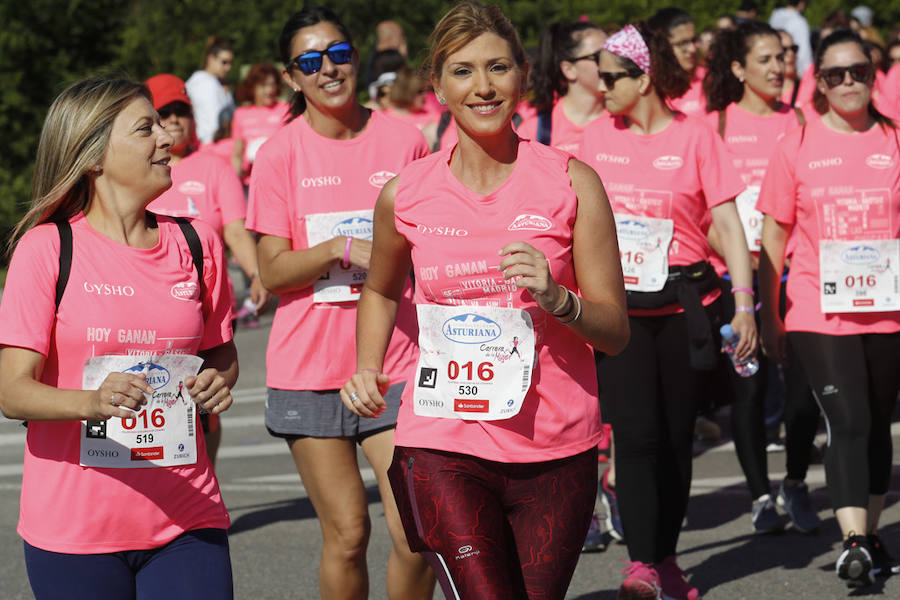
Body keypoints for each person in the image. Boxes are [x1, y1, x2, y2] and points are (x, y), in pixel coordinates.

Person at [341, 2, 629, 598]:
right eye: (464, 71)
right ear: (438, 86)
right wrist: (368, 365)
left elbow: (615, 331)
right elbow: (379, 287)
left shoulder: (573, 181)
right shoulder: (407, 193)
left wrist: (559, 298)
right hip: (444, 442)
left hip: (555, 446)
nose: (484, 86)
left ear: (523, 75)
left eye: (498, 67)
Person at [0, 77, 237, 599]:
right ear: (94, 155)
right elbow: (12, 391)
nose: (167, 138)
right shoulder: (46, 249)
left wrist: (218, 382)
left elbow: (220, 354)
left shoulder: (197, 242)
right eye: (145, 128)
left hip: (186, 517)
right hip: (74, 529)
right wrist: (93, 401)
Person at [246, 7, 434, 599]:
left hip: (396, 362)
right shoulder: (280, 154)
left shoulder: (404, 140)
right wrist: (340, 247)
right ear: (292, 77)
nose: (328, 69)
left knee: (415, 534)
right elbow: (273, 271)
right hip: (309, 371)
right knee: (348, 533)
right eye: (310, 61)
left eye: (339, 54)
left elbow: (429, 244)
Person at [580, 22, 756, 600]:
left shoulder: (696, 137)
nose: (600, 87)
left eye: (610, 78)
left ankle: (668, 557)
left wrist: (747, 305)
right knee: (633, 437)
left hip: (685, 308)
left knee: (677, 440)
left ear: (644, 76)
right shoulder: (595, 138)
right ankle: (641, 565)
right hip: (620, 312)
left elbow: (728, 224)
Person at [758, 29, 900, 589]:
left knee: (877, 423)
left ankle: (869, 530)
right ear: (819, 82)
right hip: (819, 308)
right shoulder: (796, 145)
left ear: (873, 74)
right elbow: (773, 236)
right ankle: (854, 540)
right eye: (835, 74)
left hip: (887, 309)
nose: (848, 83)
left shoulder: (893, 141)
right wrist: (768, 314)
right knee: (849, 419)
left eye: (858, 71)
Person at [702, 20, 820, 535]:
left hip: (794, 275)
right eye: (766, 59)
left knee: (801, 392)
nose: (778, 68)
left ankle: (794, 482)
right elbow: (698, 212)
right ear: (738, 68)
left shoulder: (800, 119)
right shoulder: (713, 126)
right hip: (734, 280)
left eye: (782, 57)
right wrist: (735, 253)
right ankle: (758, 496)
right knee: (749, 392)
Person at [144, 73, 267, 462]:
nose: (176, 119)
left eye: (183, 111)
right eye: (165, 112)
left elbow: (234, 228)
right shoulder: (137, 170)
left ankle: (202, 480)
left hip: (200, 307)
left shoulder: (214, 168)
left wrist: (255, 272)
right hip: (144, 304)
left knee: (203, 401)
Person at [517, 20, 608, 155]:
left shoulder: (627, 121)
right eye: (599, 56)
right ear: (569, 69)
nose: (610, 63)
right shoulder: (536, 130)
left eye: (613, 55)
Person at [231, 63, 290, 187]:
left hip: (279, 181)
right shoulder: (240, 113)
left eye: (272, 85)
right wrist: (235, 180)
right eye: (264, 86)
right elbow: (237, 153)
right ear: (253, 87)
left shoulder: (285, 109)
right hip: (250, 182)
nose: (269, 90)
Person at [649, 8, 706, 118]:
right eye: (682, 43)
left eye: (694, 40)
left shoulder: (710, 79)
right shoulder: (650, 87)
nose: (692, 49)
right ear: (662, 46)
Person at [186, 36, 236, 145]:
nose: (228, 67)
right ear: (211, 59)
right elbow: (214, 121)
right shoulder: (205, 83)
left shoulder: (214, 83)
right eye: (224, 62)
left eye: (230, 63)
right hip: (210, 144)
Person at [769, 1, 813, 74]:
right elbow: (804, 53)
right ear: (801, 3)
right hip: (793, 72)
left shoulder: (775, 17)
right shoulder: (799, 22)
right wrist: (806, 75)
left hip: (775, 67)